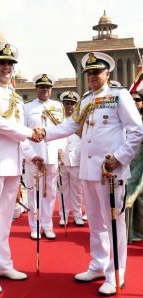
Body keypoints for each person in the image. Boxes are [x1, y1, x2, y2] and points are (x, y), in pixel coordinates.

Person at [35, 52, 143, 296]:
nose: (92, 76)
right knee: (95, 222)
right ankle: (97, 264)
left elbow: (136, 130)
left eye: (97, 72)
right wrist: (45, 132)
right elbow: (71, 126)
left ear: (107, 74)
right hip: (89, 171)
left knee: (113, 223)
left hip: (110, 171)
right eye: (89, 73)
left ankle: (117, 271)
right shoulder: (85, 101)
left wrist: (120, 158)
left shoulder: (119, 96)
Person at [0, 43, 43, 294]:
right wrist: (29, 132)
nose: (6, 67)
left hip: (13, 165)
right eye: (1, 63)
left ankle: (2, 263)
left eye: (10, 64)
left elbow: (19, 137)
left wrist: (32, 156)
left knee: (5, 218)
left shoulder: (15, 97)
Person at [22, 74, 65, 240]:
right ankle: (35, 226)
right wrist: (30, 155)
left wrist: (61, 149)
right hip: (34, 156)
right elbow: (23, 134)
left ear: (51, 89)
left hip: (52, 156)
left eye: (47, 87)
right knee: (33, 193)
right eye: (41, 87)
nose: (45, 90)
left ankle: (47, 225)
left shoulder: (57, 106)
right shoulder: (27, 108)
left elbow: (62, 131)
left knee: (50, 193)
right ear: (36, 89)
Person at [58, 91, 84, 226]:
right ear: (63, 105)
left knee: (77, 190)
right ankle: (63, 215)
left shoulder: (80, 120)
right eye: (67, 103)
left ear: (76, 105)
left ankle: (78, 215)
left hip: (76, 159)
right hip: (62, 160)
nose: (69, 106)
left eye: (72, 104)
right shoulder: (58, 120)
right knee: (63, 190)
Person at [125, 91, 143, 243]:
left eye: (138, 99)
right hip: (126, 163)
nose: (135, 102)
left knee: (140, 198)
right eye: (132, 100)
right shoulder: (123, 119)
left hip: (141, 163)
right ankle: (128, 233)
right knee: (127, 197)